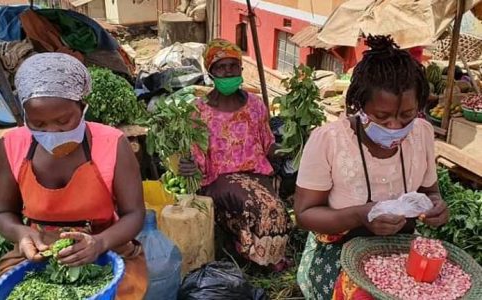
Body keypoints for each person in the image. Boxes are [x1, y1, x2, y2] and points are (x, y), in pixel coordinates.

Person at [295, 35, 449, 299]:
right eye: (382, 116)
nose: (396, 128)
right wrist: (360, 215)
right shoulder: (330, 140)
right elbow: (305, 214)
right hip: (340, 249)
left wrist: (435, 206)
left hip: (401, 247)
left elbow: (430, 191)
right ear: (360, 106)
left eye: (406, 115)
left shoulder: (421, 133)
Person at [0, 53, 147, 299]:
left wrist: (100, 243)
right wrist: (21, 234)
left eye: (63, 121)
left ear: (82, 107)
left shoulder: (111, 143)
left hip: (107, 248)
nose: (52, 131)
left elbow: (135, 214)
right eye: (38, 124)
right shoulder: (12, 146)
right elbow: (3, 214)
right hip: (38, 253)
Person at [179, 39, 291, 270]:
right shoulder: (198, 110)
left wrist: (293, 149)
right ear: (210, 72)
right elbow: (195, 157)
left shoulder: (255, 105)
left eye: (233, 65)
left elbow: (267, 144)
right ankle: (258, 257)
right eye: (221, 66)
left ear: (241, 69)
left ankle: (258, 254)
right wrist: (188, 166)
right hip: (219, 180)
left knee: (274, 206)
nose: (228, 71)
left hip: (257, 175)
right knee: (259, 206)